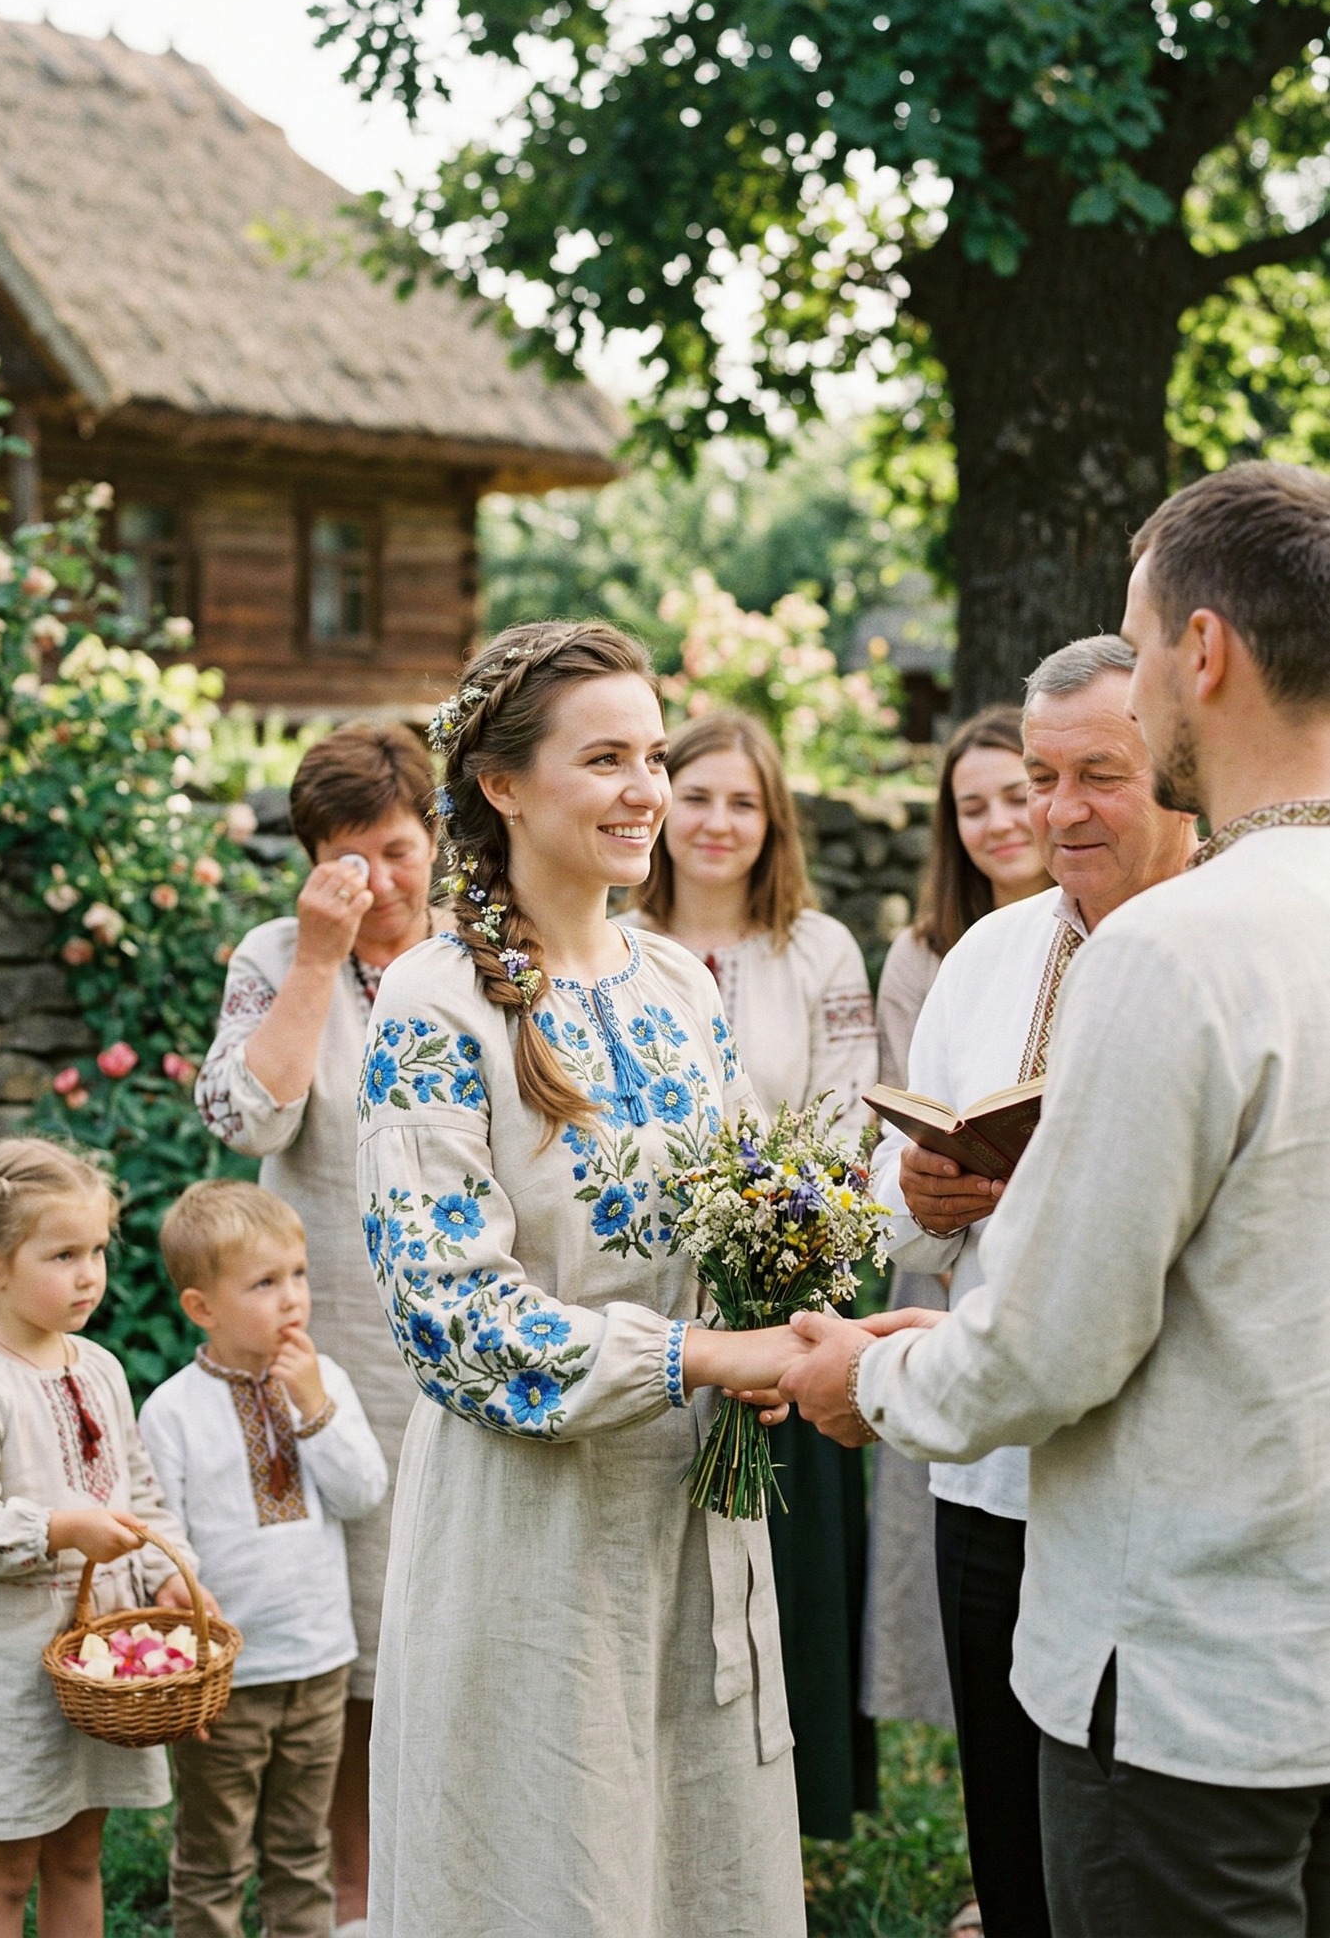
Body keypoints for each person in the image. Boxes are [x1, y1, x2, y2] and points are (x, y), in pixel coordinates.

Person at [780, 458, 1330, 1938]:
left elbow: (1051, 1347)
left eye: (1141, 648)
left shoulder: (1180, 951)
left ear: (1199, 653)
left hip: (1190, 1683)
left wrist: (869, 1377)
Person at [356, 621, 812, 1938]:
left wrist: (777, 1319)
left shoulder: (678, 982)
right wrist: (698, 1359)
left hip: (692, 1514)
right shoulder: (433, 1005)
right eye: (604, 758)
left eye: (655, 756)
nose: (647, 793)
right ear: (501, 785)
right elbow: (448, 1318)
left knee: (696, 1865)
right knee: (546, 1872)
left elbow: (735, 1223)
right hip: (528, 1539)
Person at [866, 638, 1195, 1935]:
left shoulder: (1225, 949)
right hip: (988, 1467)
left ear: (1173, 765)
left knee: (1147, 1845)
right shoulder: (987, 955)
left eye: (1096, 774)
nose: (1056, 811)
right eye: (1039, 774)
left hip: (1160, 1479)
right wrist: (923, 1201)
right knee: (1008, 1830)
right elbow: (904, 1211)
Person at [195, 722, 438, 1934]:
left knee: (453, 1615)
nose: (381, 884)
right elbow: (246, 1115)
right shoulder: (274, 954)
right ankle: (350, 1894)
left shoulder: (482, 945)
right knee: (353, 1635)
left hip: (458, 1341)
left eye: (398, 850)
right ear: (310, 862)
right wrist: (314, 958)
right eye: (350, 860)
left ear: (437, 837)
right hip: (323, 1341)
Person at [625, 707, 880, 1840]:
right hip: (650, 1302)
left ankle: (788, 1805)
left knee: (788, 1558)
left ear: (770, 818)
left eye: (742, 800)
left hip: (792, 1299)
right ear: (661, 806)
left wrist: (784, 1247)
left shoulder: (814, 946)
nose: (716, 821)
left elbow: (849, 1110)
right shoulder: (613, 939)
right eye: (696, 794)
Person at [0, 1137, 202, 1938]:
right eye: (63, 1254)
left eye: (98, 1251)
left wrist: (168, 1579)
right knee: (6, 1870)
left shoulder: (100, 1367)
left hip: (99, 1656)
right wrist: (58, 1527)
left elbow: (140, 1493)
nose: (88, 1274)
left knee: (79, 1854)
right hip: (5, 1667)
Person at [864, 706, 1050, 1753]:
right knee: (994, 1717)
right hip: (962, 1329)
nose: (1017, 817)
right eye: (970, 803)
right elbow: (890, 1161)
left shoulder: (1182, 935)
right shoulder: (963, 955)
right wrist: (918, 1189)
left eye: (1074, 778)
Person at [141, 1181, 388, 1938]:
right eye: (264, 1283)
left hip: (318, 1663)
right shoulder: (173, 1411)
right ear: (202, 1309)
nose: (292, 1300)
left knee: (300, 1848)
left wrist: (313, 1409)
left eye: (298, 1275)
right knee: (214, 1855)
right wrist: (185, 1675)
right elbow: (165, 1547)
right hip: (228, 1681)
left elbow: (362, 1494)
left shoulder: (322, 1380)